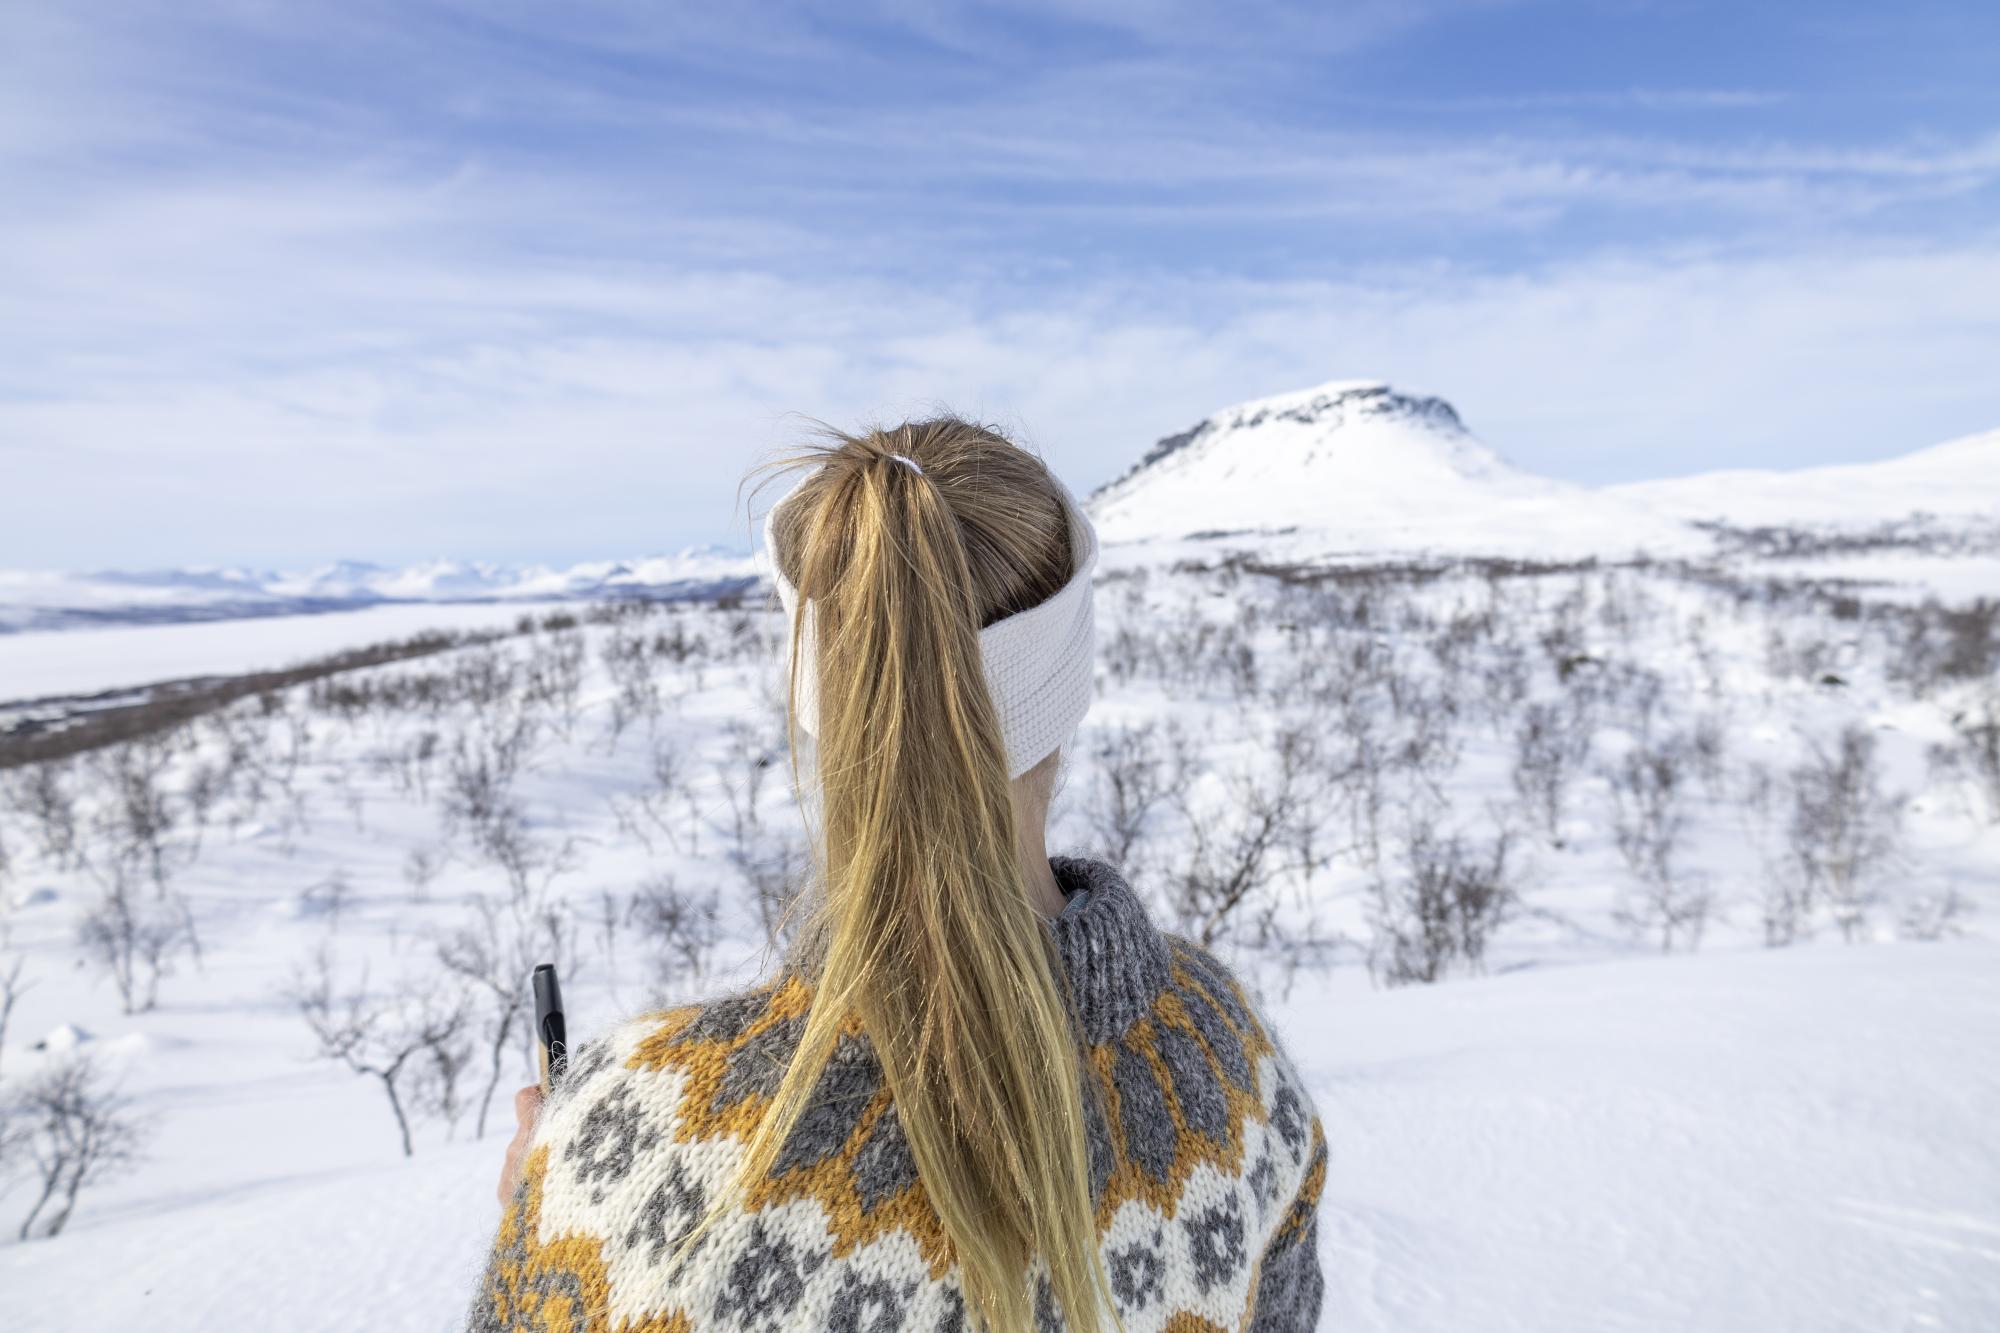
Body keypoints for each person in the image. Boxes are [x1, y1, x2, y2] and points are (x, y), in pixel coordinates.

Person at [465, 418, 1326, 1333]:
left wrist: (559, 1210)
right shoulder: (1234, 1076)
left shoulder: (636, 1142)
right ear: (1065, 690)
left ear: (819, 700)